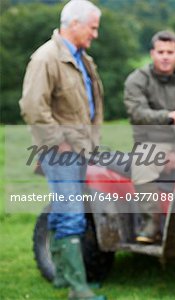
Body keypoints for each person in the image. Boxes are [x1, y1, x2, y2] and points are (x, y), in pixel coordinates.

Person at [19, 0, 105, 299]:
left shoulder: (84, 59)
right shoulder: (45, 58)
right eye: (92, 28)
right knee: (71, 215)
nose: (95, 34)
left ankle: (62, 277)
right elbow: (32, 107)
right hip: (60, 152)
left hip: (81, 150)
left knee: (63, 211)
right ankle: (77, 289)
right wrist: (59, 141)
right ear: (75, 24)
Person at [124, 30, 175, 244]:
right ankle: (153, 222)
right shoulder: (137, 80)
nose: (165, 56)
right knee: (142, 165)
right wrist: (169, 116)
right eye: (160, 52)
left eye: (170, 51)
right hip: (150, 140)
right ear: (152, 53)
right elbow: (137, 114)